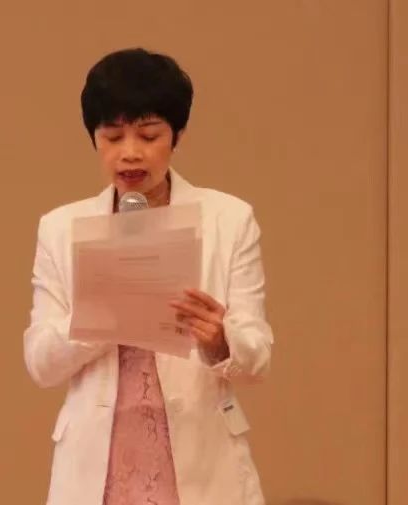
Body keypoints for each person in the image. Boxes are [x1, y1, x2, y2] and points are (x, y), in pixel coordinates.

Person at [23, 47, 274, 505]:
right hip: (95, 465)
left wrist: (221, 341)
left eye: (148, 135)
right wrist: (99, 314)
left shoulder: (229, 219)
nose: (130, 153)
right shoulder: (60, 228)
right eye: (112, 136)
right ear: (94, 138)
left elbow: (257, 357)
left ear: (177, 135)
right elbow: (41, 363)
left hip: (202, 458)